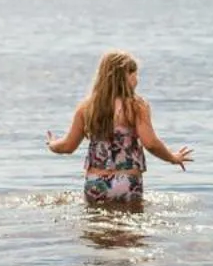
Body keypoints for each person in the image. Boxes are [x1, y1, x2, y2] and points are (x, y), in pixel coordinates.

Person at [46, 50, 191, 205]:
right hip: (127, 181)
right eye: (135, 75)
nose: (137, 80)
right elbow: (151, 143)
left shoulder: (87, 108)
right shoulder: (136, 106)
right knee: (130, 227)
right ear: (125, 77)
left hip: (96, 182)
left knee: (96, 225)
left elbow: (68, 146)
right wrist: (172, 158)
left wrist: (53, 144)